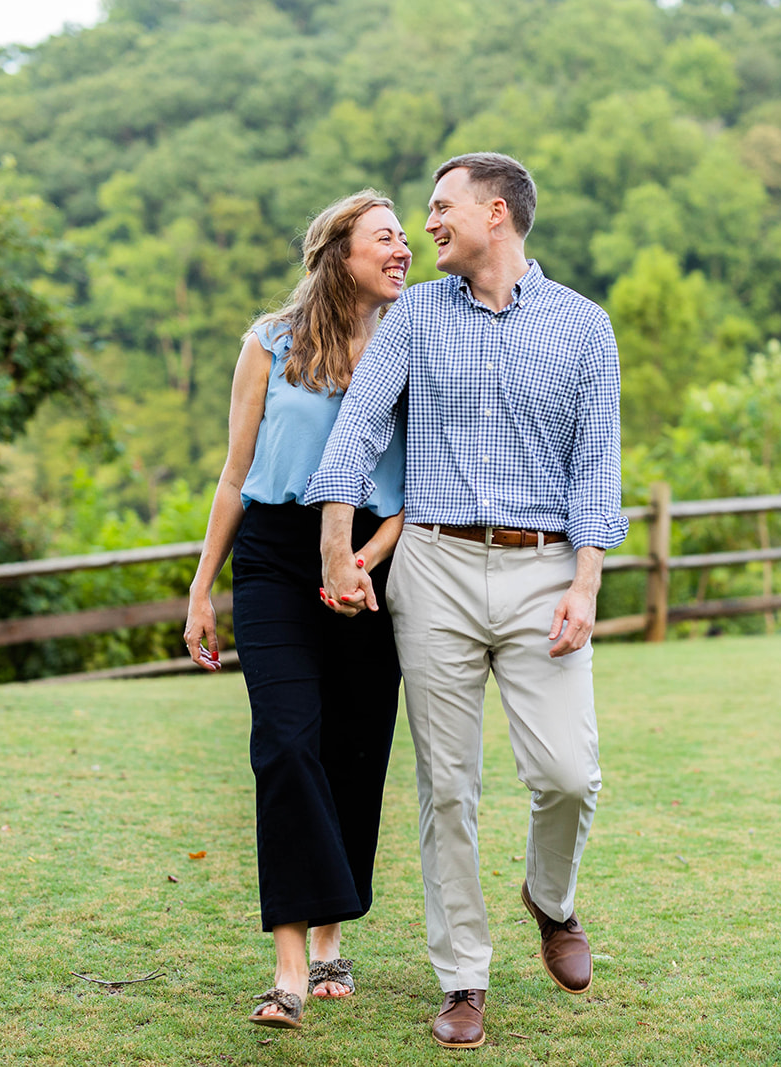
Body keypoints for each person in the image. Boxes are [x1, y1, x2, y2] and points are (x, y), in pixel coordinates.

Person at [305, 152, 627, 1050]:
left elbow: (596, 467)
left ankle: (550, 900)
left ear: (497, 213)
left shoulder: (583, 326)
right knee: (447, 785)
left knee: (569, 774)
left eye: (441, 209)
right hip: (436, 568)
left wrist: (587, 581)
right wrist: (338, 542)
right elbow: (361, 424)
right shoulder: (412, 319)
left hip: (546, 570)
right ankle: (463, 977)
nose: (426, 226)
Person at [183, 190, 412, 1031]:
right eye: (385, 238)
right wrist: (203, 585)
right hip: (277, 559)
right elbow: (236, 471)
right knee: (283, 742)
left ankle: (329, 939)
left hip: (368, 558)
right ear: (339, 254)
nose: (403, 250)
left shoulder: (413, 343)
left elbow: (420, 485)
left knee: (354, 750)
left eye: (404, 239)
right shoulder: (268, 343)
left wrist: (364, 558)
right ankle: (287, 964)